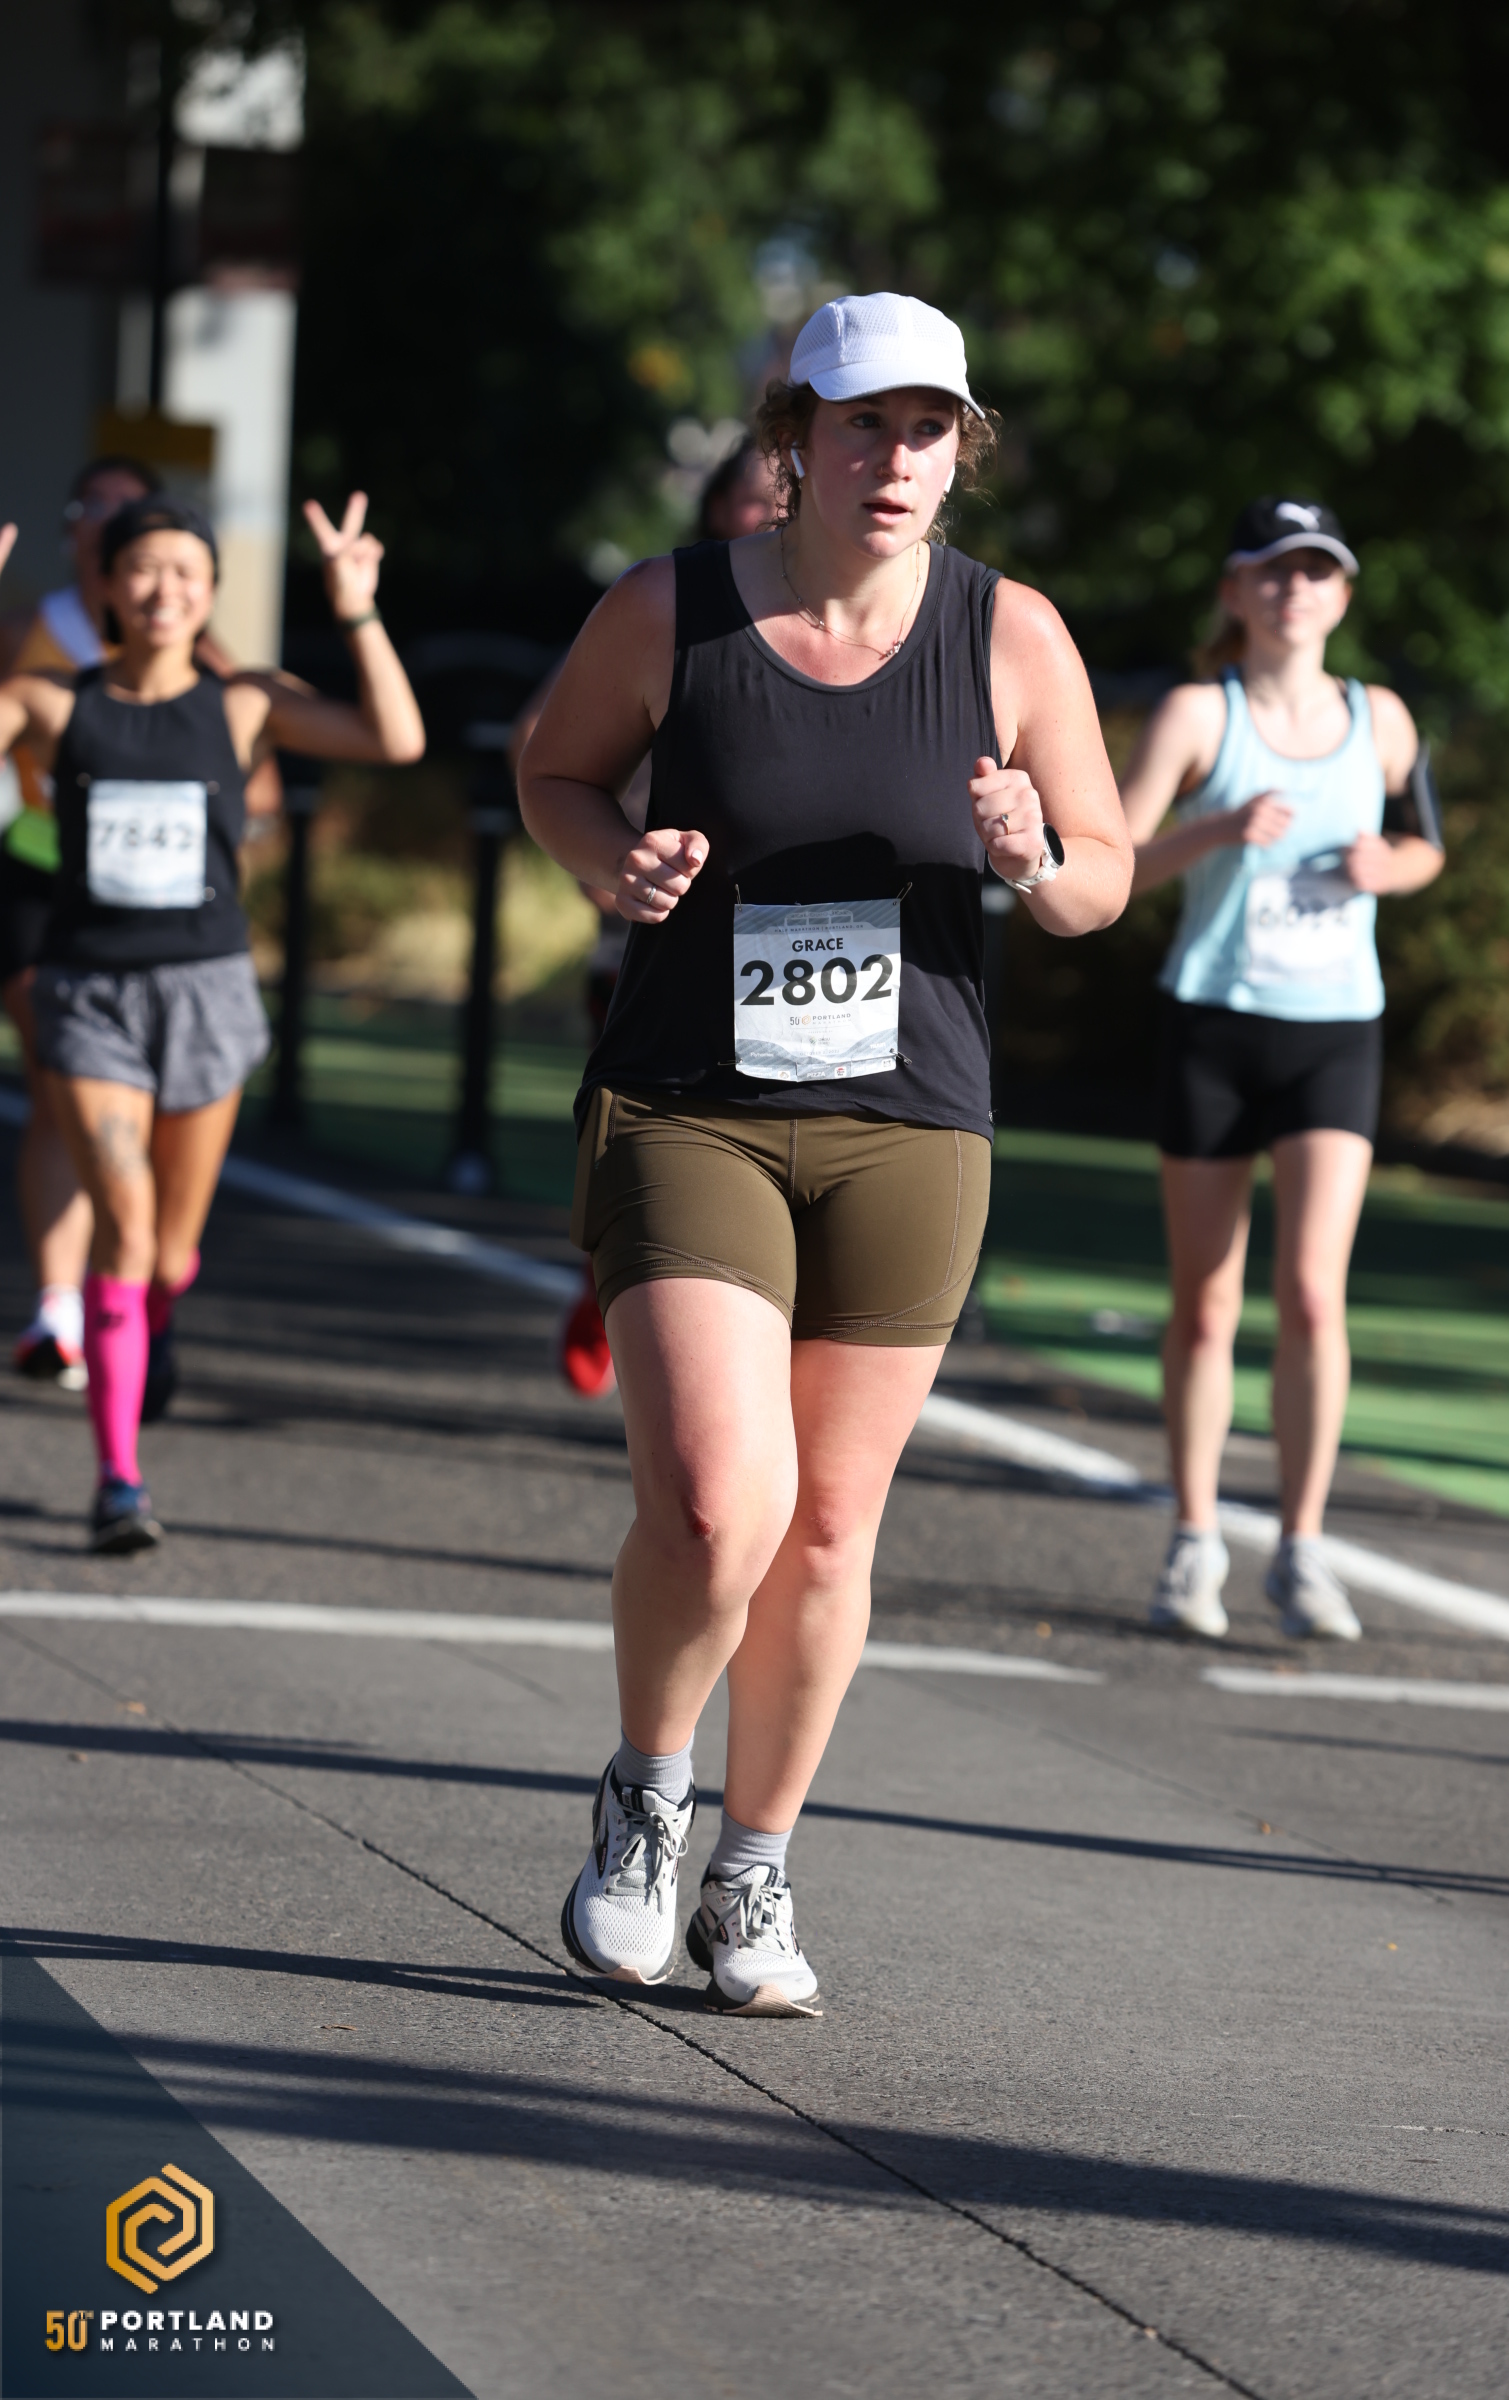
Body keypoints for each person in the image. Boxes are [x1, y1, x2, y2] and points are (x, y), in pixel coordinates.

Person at [519, 291, 1131, 2014]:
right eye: (864, 424)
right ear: (794, 441)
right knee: (723, 1502)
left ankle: (755, 1868)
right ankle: (648, 1795)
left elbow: (1102, 880)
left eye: (928, 429)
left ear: (961, 452)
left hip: (910, 1123)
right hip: (691, 1104)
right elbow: (555, 774)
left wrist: (1034, 851)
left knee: (832, 1527)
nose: (896, 458)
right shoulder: (674, 610)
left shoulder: (1013, 634)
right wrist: (611, 862)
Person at [0, 489, 424, 1551]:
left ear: (210, 593)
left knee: (169, 1254)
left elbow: (396, 737)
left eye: (187, 572)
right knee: (125, 1226)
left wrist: (356, 606)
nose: (165, 589)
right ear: (107, 585)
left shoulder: (243, 702)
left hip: (207, 994)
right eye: (144, 569)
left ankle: (151, 1314)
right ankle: (119, 1482)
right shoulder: (50, 701)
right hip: (87, 993)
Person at [1118, 497, 1444, 1644]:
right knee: (1206, 1301)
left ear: (1341, 596)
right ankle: (1194, 1540)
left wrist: (1387, 866)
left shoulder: (1380, 718)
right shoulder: (1197, 714)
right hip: (1211, 1025)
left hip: (1333, 1031)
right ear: (1234, 591)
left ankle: (1301, 1548)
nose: (1292, 590)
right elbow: (1109, 862)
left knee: (1311, 1292)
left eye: (1315, 571)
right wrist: (1215, 831)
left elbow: (1425, 843)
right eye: (1270, 569)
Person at [2, 455, 281, 1394]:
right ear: (83, 539)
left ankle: (146, 1286)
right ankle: (60, 1303)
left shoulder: (204, 655)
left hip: (181, 938)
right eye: (100, 510)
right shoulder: (31, 634)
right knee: (59, 1093)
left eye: (136, 509)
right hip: (45, 884)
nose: (116, 522)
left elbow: (257, 773)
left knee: (160, 1209)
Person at [515, 435, 785, 1399]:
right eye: (752, 495)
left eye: (784, 493)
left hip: (793, 955)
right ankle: (615, 1284)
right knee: (642, 1143)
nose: (770, 510)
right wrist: (607, 858)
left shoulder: (838, 618)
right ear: (715, 508)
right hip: (650, 939)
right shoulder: (665, 607)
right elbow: (538, 742)